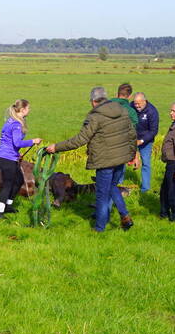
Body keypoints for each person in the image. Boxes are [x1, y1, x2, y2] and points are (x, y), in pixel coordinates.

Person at [47, 86, 137, 232]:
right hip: (121, 158)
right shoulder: (123, 111)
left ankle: (99, 228)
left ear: (93, 101)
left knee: (102, 194)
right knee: (113, 187)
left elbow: (80, 139)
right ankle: (125, 216)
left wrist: (56, 147)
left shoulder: (95, 117)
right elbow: (132, 135)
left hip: (105, 161)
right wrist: (132, 154)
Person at [0, 99, 41, 219]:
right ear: (23, 109)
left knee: (19, 180)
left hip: (8, 156)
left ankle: (8, 205)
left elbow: (9, 142)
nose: (29, 110)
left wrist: (16, 154)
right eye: (28, 108)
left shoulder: (11, 121)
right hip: (7, 158)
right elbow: (17, 142)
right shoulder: (16, 124)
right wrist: (33, 141)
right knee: (8, 184)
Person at [131, 92, 159, 192]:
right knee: (123, 160)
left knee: (146, 163)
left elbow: (154, 131)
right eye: (135, 103)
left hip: (145, 141)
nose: (136, 106)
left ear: (144, 101)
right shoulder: (131, 106)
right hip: (131, 139)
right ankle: (118, 184)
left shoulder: (152, 111)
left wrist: (141, 141)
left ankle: (145, 188)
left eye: (139, 104)